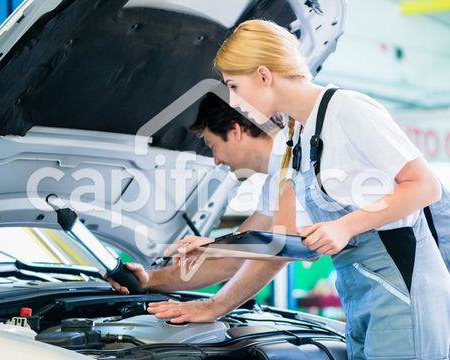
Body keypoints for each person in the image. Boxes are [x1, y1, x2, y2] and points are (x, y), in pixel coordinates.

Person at [145, 20, 450, 359]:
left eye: (233, 85)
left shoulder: (347, 109)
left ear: (264, 75)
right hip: (360, 291)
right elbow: (283, 239)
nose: (233, 98)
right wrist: (216, 248)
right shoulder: (297, 135)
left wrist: (344, 226)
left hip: (402, 284)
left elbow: (424, 186)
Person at [110, 92, 298, 299]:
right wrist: (149, 279)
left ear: (235, 131)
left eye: (213, 146)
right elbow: (232, 261)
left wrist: (212, 307)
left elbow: (283, 249)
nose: (216, 160)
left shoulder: (299, 160)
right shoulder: (276, 182)